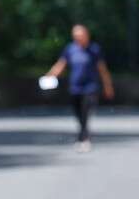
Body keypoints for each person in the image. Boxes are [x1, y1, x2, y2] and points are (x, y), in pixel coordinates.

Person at [44, 24, 114, 153]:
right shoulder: (70, 49)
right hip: (75, 88)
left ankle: (84, 139)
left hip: (90, 88)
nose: (78, 38)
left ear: (86, 35)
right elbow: (61, 65)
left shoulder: (94, 50)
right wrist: (49, 75)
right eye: (75, 36)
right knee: (78, 115)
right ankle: (83, 136)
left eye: (80, 35)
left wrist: (108, 86)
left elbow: (102, 70)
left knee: (85, 113)